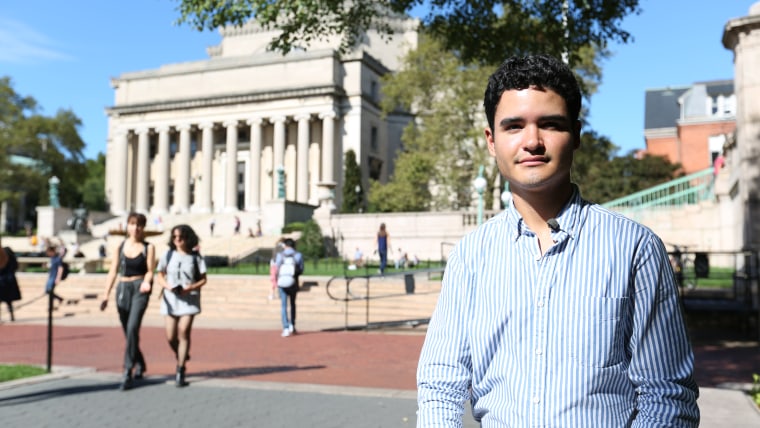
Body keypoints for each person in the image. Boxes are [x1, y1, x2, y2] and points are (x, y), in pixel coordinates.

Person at [416, 54, 699, 426]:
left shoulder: (634, 249)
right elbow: (441, 384)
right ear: (491, 140)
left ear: (577, 135)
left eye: (549, 124)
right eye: (514, 126)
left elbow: (666, 395)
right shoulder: (470, 256)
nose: (532, 141)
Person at [100, 212, 156, 391]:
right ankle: (140, 362)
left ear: (143, 227)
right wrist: (105, 295)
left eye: (139, 225)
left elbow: (150, 270)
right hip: (122, 289)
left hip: (140, 289)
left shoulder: (149, 247)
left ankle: (127, 371)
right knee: (128, 331)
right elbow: (113, 271)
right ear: (127, 226)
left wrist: (147, 281)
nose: (135, 228)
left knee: (133, 328)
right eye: (132, 224)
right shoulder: (120, 246)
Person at [156, 224, 207, 387]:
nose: (177, 240)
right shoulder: (168, 255)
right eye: (174, 237)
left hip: (189, 299)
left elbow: (204, 279)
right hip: (170, 299)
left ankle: (180, 369)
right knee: (170, 336)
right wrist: (168, 286)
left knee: (183, 332)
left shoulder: (196, 257)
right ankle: (182, 354)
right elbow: (160, 275)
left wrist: (191, 287)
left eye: (181, 237)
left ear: (188, 238)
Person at [274, 238, 304, 337]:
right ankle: (292, 324)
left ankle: (285, 327)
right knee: (292, 304)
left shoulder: (280, 255)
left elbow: (276, 268)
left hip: (282, 282)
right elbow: (301, 269)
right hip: (293, 282)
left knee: (283, 305)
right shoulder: (298, 255)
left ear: (285, 245)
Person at [0, 237, 21, 322]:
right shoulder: (8, 251)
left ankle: (10, 316)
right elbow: (15, 265)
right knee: (9, 300)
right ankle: (12, 316)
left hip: (3, 279)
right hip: (9, 279)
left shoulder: (6, 252)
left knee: (4, 300)